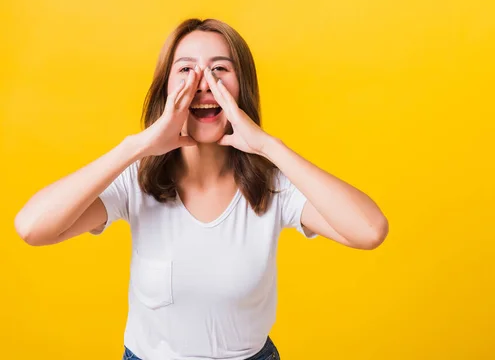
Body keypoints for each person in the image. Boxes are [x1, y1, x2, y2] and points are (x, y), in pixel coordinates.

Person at [14, 18, 389, 360]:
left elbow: (369, 230)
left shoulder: (273, 187)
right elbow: (32, 228)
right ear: (166, 88)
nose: (204, 83)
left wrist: (267, 146)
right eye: (187, 70)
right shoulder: (137, 181)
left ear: (242, 89)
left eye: (220, 70)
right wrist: (137, 146)